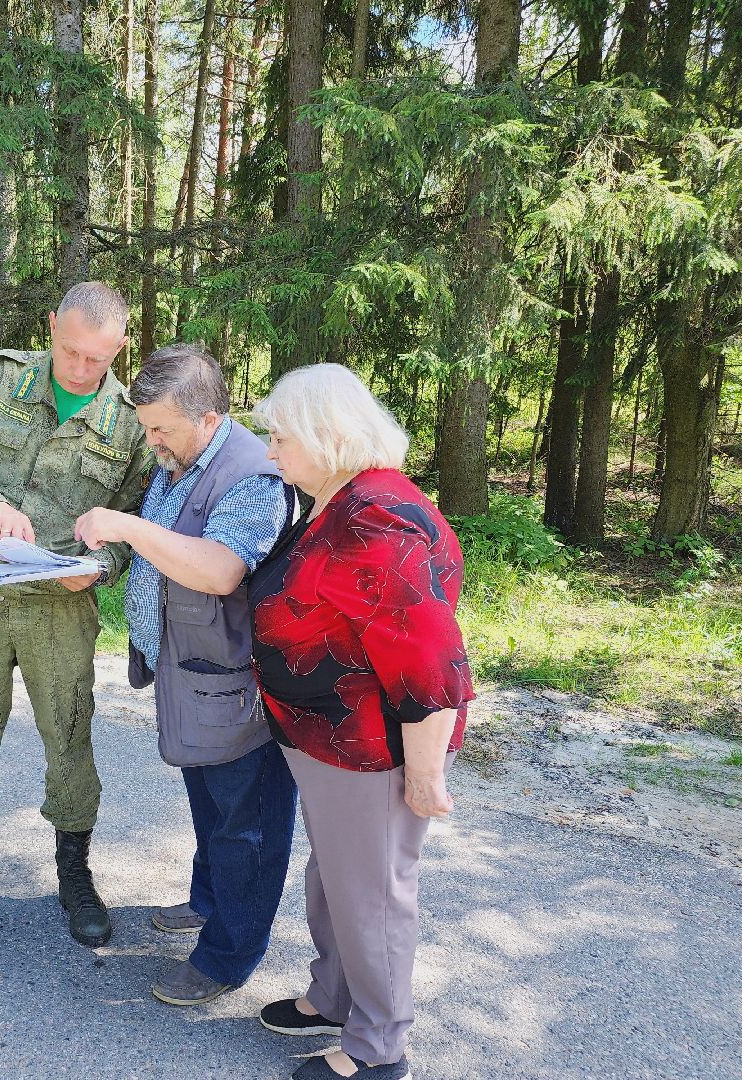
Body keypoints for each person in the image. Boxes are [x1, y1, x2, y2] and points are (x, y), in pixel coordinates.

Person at [0, 281, 153, 973]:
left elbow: (142, 521)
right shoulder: (1, 377)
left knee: (70, 740)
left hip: (60, 611)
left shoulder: (131, 422)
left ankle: (74, 877)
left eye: (96, 358)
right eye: (69, 351)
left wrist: (104, 565)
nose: (81, 369)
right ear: (50, 327)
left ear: (119, 348)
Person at [246, 364, 473, 1080]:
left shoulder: (375, 515)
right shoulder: (339, 500)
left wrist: (426, 772)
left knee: (373, 893)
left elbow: (431, 659)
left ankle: (379, 1049)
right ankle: (335, 995)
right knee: (338, 879)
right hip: (328, 741)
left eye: (280, 438)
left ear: (329, 436)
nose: (271, 452)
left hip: (371, 748)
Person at [74, 343, 297, 1007]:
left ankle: (228, 955)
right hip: (192, 674)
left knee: (245, 823)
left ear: (206, 418)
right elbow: (164, 550)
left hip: (236, 687)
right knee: (210, 804)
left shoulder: (252, 474)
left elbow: (218, 568)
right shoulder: (183, 455)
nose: (151, 441)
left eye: (160, 428)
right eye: (146, 427)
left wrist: (125, 527)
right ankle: (209, 901)